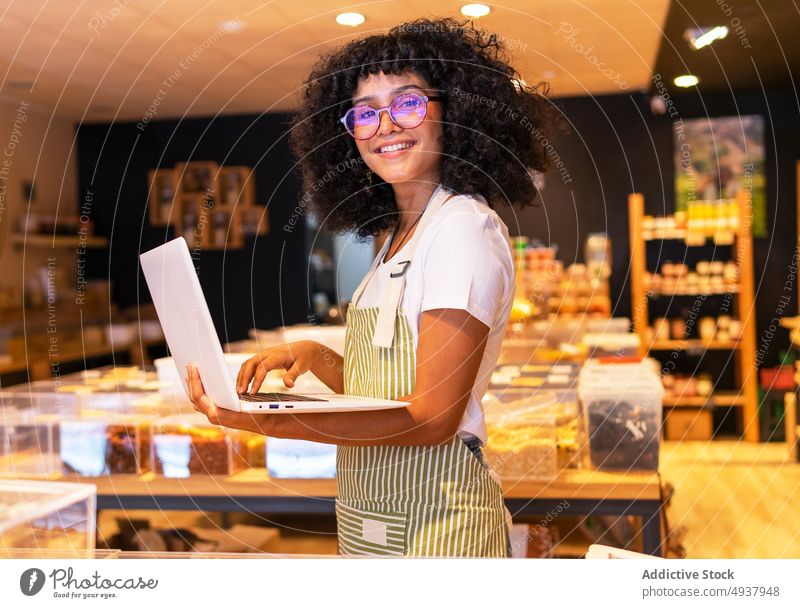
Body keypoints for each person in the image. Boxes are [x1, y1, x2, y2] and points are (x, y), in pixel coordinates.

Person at [187, 17, 555, 557]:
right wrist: (316, 356)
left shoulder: (461, 228)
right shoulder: (397, 235)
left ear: (452, 112)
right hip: (370, 523)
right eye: (364, 113)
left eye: (407, 103)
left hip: (441, 533)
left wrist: (267, 421)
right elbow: (388, 392)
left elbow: (430, 420)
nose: (384, 126)